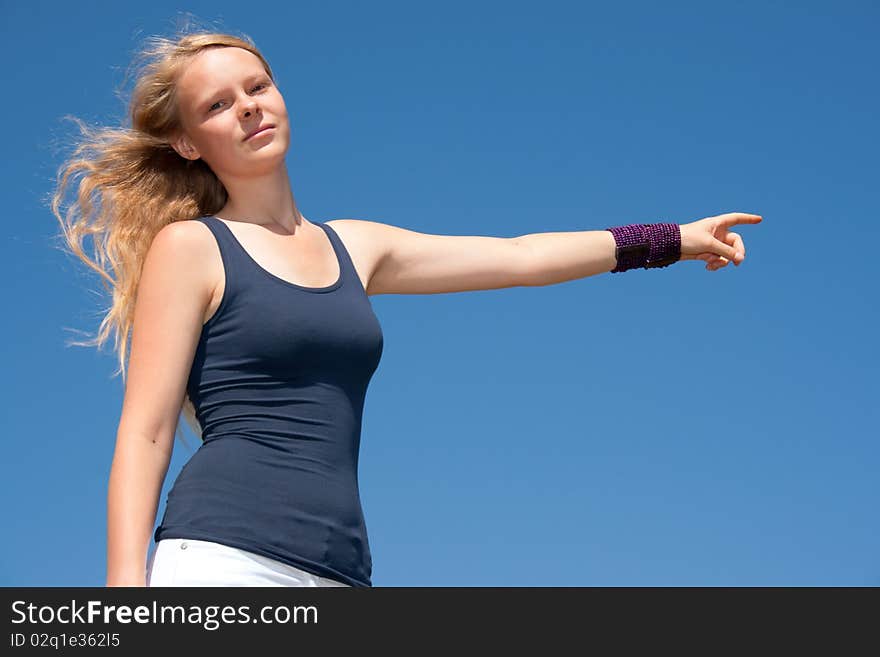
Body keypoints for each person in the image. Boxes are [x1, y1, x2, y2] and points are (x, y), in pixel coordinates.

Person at [51, 28, 762, 588]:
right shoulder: (192, 248)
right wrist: (126, 591)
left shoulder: (357, 247)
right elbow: (144, 433)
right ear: (187, 142)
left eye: (257, 86)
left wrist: (667, 240)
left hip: (342, 563)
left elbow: (519, 257)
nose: (247, 107)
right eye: (216, 105)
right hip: (221, 558)